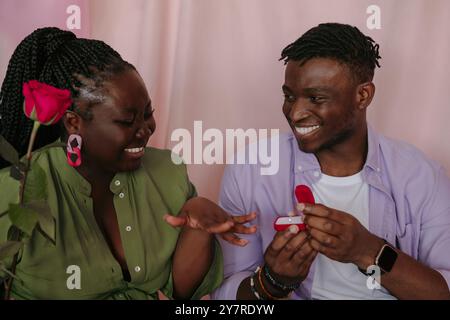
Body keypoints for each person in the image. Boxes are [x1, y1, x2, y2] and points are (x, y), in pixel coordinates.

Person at [0, 27, 256, 300]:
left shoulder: (168, 172)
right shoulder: (18, 188)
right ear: (74, 122)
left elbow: (182, 295)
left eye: (148, 114)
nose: (146, 129)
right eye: (126, 121)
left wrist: (197, 230)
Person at [211, 23, 450, 300]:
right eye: (289, 96)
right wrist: (272, 283)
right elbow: (224, 296)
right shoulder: (250, 170)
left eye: (316, 98)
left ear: (363, 95)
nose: (296, 113)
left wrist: (368, 251)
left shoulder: (421, 176)